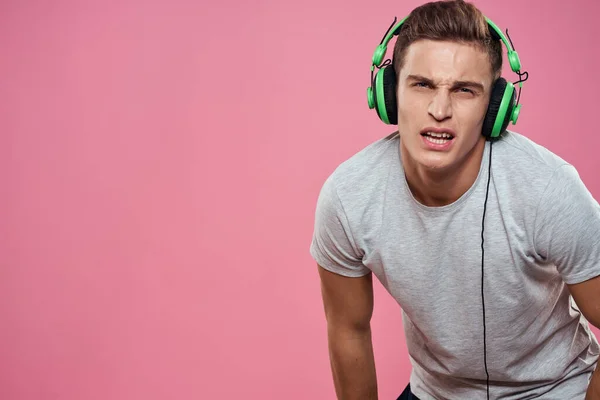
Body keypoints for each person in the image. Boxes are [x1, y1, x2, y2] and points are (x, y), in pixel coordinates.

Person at [309, 1, 600, 399]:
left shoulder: (548, 189)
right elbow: (348, 329)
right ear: (389, 92)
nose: (439, 110)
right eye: (422, 84)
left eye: (464, 90)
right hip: (436, 392)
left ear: (495, 108)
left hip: (555, 389)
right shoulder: (348, 196)